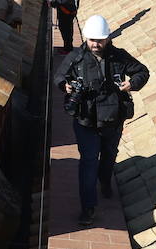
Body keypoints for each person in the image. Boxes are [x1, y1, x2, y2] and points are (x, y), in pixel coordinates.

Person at [53, 14, 149, 225]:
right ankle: (88, 207)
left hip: (112, 119)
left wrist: (132, 84)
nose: (96, 44)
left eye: (100, 40)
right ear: (86, 38)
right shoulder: (76, 57)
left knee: (108, 156)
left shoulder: (119, 56)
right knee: (88, 162)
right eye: (92, 40)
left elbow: (142, 72)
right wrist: (65, 86)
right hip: (85, 120)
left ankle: (105, 181)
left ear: (107, 38)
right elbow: (59, 76)